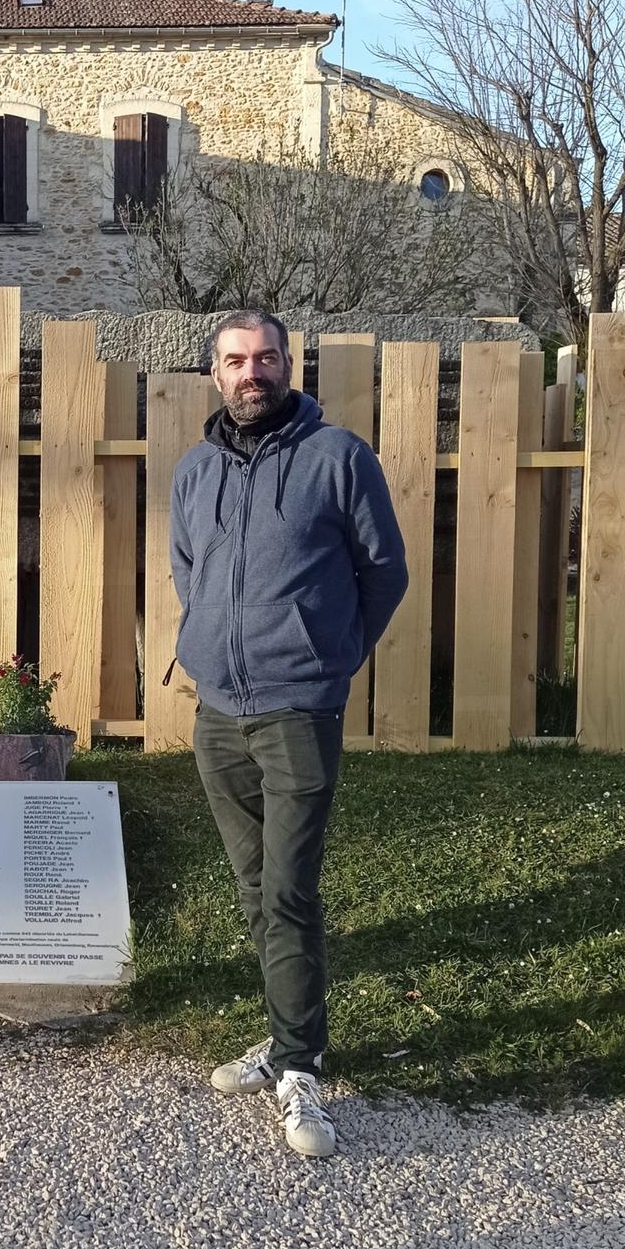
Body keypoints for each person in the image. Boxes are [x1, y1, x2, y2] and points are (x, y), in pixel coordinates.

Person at [170, 310, 407, 1157]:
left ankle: (300, 1066)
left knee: (289, 889)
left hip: (299, 709)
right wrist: (202, 641)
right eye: (235, 360)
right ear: (216, 372)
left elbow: (385, 570)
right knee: (251, 885)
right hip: (217, 713)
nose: (251, 372)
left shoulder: (338, 458)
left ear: (287, 364)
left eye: (266, 357)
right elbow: (187, 568)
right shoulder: (195, 470)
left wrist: (332, 655)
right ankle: (281, 1039)